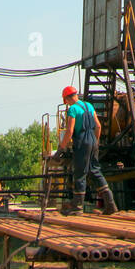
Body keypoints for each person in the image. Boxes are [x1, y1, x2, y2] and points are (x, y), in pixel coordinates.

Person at [55, 86, 118, 216]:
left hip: (82, 142)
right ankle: (111, 204)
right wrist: (95, 142)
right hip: (93, 141)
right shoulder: (89, 106)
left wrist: (60, 149)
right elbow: (98, 126)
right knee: (95, 170)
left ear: (67, 99)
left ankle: (77, 207)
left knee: (80, 173)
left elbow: (70, 131)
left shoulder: (73, 109)